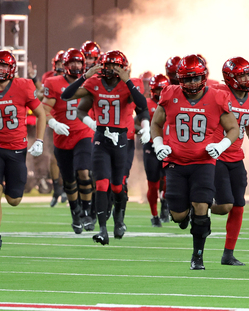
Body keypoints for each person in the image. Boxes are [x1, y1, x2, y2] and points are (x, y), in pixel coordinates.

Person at [151, 54, 240, 270]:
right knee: (178, 215)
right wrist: (158, 144)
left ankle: (197, 257)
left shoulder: (217, 97)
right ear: (179, 79)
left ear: (204, 77)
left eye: (195, 78)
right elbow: (156, 123)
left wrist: (220, 147)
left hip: (203, 162)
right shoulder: (170, 94)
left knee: (202, 206)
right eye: (187, 79)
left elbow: (233, 129)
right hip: (175, 162)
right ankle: (185, 214)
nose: (191, 83)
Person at [61, 50, 149, 246]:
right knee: (101, 183)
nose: (110, 69)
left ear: (123, 68)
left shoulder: (130, 84)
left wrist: (128, 82)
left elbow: (142, 106)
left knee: (117, 186)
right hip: (101, 137)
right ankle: (102, 229)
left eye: (114, 66)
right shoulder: (93, 83)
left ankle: (119, 219)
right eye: (107, 65)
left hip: (121, 139)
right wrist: (85, 76)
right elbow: (66, 96)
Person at [0, 51, 46, 250]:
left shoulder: (23, 86)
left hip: (16, 149)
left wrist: (39, 140)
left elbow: (41, 114)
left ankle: (8, 185)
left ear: (11, 69)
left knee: (14, 199)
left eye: (3, 66)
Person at [211, 57, 249, 266]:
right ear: (230, 78)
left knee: (238, 205)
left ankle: (228, 254)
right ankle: (198, 208)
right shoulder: (218, 93)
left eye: (248, 74)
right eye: (241, 75)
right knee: (226, 204)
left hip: (236, 157)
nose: (247, 78)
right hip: (216, 155)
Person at [42, 49, 96, 234]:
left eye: (78, 62)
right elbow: (45, 109)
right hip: (62, 137)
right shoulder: (53, 82)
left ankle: (87, 212)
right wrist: (53, 123)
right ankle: (75, 212)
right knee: (69, 180)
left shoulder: (90, 82)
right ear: (65, 65)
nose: (75, 66)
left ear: (84, 65)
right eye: (72, 62)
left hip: (83, 133)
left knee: (83, 171)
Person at [144, 74, 170, 227]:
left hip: (168, 146)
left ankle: (165, 203)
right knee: (153, 184)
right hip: (152, 146)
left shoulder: (173, 102)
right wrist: (144, 130)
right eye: (158, 89)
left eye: (163, 89)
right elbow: (136, 122)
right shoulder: (147, 103)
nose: (160, 93)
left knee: (168, 180)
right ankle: (154, 215)